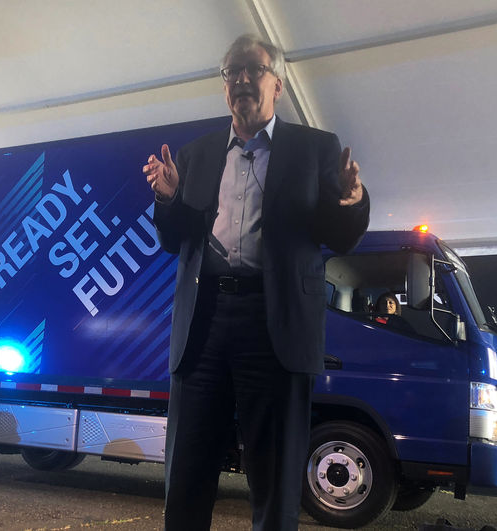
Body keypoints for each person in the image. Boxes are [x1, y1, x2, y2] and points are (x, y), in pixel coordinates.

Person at [142, 34, 370, 530]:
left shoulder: (315, 149)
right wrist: (168, 200)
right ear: (224, 85)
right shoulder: (197, 154)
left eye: (254, 69)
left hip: (276, 325)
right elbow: (175, 240)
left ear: (277, 84)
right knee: (186, 473)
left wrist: (352, 200)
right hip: (204, 324)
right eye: (232, 72)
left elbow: (341, 236)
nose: (242, 79)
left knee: (274, 478)